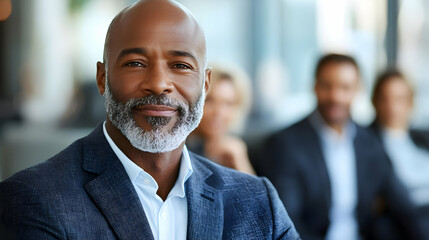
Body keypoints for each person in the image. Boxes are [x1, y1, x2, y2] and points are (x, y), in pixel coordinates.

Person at [0, 1, 300, 239]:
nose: (159, 83)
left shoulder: (258, 201)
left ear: (205, 85)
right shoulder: (34, 199)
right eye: (135, 63)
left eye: (180, 65)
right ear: (102, 79)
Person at [257, 53, 422, 240]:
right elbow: (287, 221)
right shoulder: (285, 144)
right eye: (327, 86)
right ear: (315, 87)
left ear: (357, 90)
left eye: (345, 87)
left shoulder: (369, 142)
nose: (336, 96)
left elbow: (404, 208)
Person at [370, 69, 429, 237]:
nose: (392, 107)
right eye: (385, 99)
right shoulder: (367, 143)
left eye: (399, 99)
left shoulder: (423, 137)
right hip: (408, 221)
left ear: (410, 102)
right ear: (374, 101)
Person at [187, 64, 255, 174]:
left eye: (228, 103)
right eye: (209, 100)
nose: (218, 112)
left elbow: (256, 190)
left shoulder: (235, 150)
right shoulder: (179, 149)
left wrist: (240, 162)